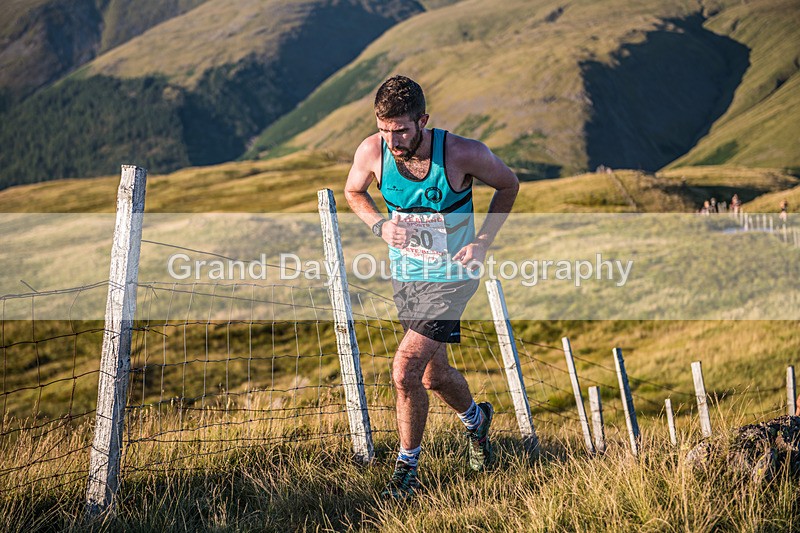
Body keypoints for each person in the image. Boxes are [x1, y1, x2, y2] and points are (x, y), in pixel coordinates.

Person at [344, 75, 519, 499]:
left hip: (453, 277)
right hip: (407, 275)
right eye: (385, 130)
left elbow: (508, 184)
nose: (392, 139)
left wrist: (481, 242)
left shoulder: (461, 153)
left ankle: (407, 473)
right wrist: (381, 225)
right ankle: (477, 423)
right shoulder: (373, 151)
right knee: (433, 377)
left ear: (423, 120)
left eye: (401, 129)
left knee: (404, 370)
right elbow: (353, 191)